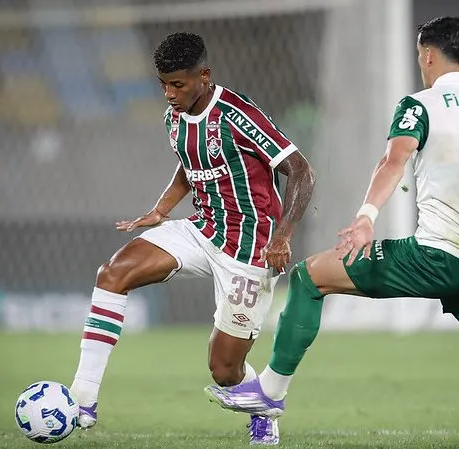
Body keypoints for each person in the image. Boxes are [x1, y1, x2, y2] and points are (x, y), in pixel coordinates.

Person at [204, 17, 459, 449]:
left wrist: (367, 215)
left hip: (438, 255)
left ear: (427, 54)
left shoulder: (420, 105)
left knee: (310, 277)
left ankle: (270, 392)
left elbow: (393, 162)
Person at [69, 32, 316, 445]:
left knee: (224, 370)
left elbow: (301, 169)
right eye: (163, 83)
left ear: (204, 76)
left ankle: (263, 410)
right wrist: (162, 210)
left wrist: (282, 236)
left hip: (252, 248)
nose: (168, 93)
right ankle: (82, 399)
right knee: (113, 274)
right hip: (202, 228)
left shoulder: (238, 115)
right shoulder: (175, 115)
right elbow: (190, 164)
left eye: (177, 84)